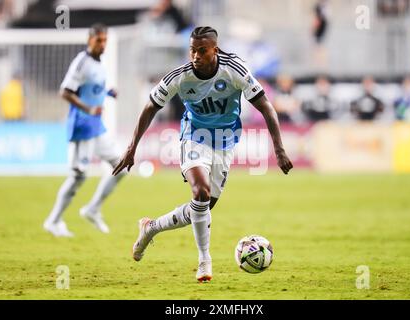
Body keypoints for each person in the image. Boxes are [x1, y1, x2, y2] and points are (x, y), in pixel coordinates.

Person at [112, 26, 293, 282]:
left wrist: (279, 149)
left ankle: (151, 228)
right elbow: (150, 106)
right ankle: (204, 260)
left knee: (202, 208)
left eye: (202, 50)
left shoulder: (235, 69)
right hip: (194, 136)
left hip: (224, 141)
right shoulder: (179, 76)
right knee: (201, 192)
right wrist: (132, 148)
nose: (195, 56)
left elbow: (266, 106)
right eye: (192, 50)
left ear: (214, 50)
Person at [43, 24, 125, 237]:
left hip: (96, 126)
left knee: (121, 166)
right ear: (89, 40)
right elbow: (65, 91)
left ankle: (93, 208)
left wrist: (109, 92)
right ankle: (53, 220)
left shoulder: (101, 62)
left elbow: (93, 87)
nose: (103, 44)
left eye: (105, 40)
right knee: (78, 177)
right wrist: (88, 108)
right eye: (99, 40)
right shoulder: (81, 61)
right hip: (81, 125)